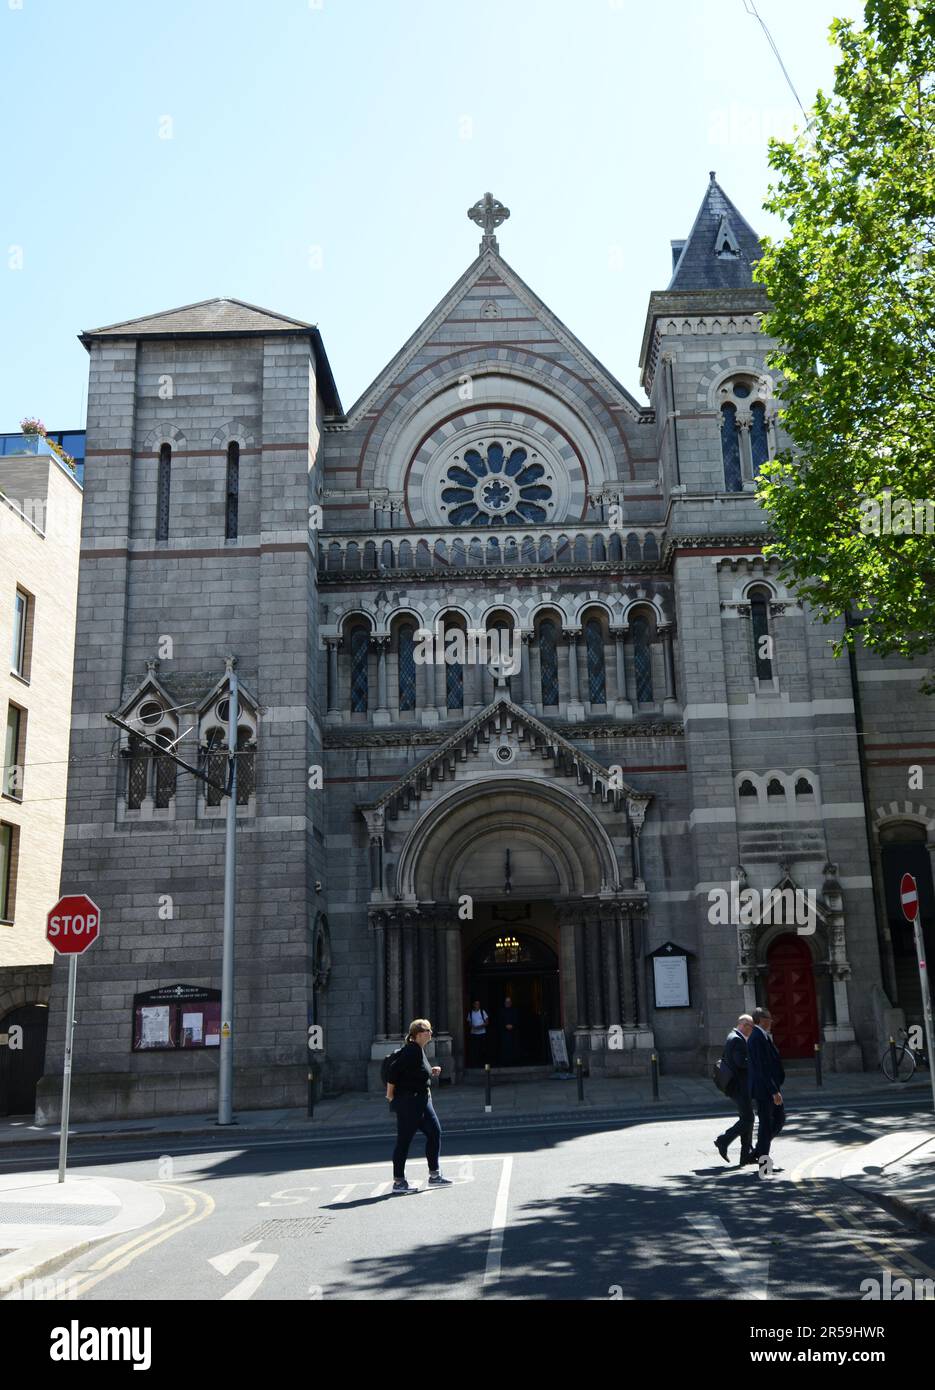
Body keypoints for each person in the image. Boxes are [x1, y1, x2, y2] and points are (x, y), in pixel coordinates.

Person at [385, 1018, 453, 1195]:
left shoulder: (419, 1050)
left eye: (430, 1030)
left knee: (435, 1132)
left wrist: (432, 1071)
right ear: (417, 1035)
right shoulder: (411, 1051)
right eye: (427, 1031)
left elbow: (417, 1072)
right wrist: (390, 1095)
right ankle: (399, 1181)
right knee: (404, 1141)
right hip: (410, 1103)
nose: (431, 1033)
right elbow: (393, 1071)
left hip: (422, 1101)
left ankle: (434, 1175)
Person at [747, 1006, 786, 1165]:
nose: (771, 1021)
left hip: (769, 1088)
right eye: (769, 1018)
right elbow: (761, 1069)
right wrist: (774, 1091)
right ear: (762, 1020)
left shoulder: (762, 1036)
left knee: (778, 1120)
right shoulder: (756, 1037)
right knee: (766, 1124)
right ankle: (764, 1161)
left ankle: (758, 1152)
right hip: (765, 1090)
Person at [714, 1014, 754, 1165]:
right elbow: (740, 1063)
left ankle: (746, 1154)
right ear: (744, 1025)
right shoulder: (737, 1040)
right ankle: (723, 1140)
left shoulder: (733, 1036)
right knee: (748, 1119)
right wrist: (755, 1060)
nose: (752, 1030)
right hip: (739, 1086)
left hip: (737, 1085)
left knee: (747, 1118)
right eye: (751, 1027)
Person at [466, 999, 489, 1068]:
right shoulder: (470, 1013)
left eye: (478, 1004)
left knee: (483, 1049)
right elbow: (469, 1023)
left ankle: (484, 1064)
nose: (477, 1005)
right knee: (475, 1050)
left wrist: (480, 1026)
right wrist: (473, 1026)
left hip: (482, 1033)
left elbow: (487, 1022)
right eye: (476, 1004)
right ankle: (475, 1064)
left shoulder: (482, 1012)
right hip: (474, 1034)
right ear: (473, 1005)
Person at [499, 995, 518, 1065]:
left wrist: (512, 1025)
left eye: (509, 1002)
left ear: (511, 1003)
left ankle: (513, 1061)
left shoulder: (514, 1010)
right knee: (505, 1047)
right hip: (504, 1032)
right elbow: (499, 1021)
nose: (508, 1003)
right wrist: (505, 1026)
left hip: (513, 1032)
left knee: (513, 1047)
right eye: (506, 1002)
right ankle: (505, 1062)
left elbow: (517, 1019)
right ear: (504, 1003)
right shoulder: (501, 1011)